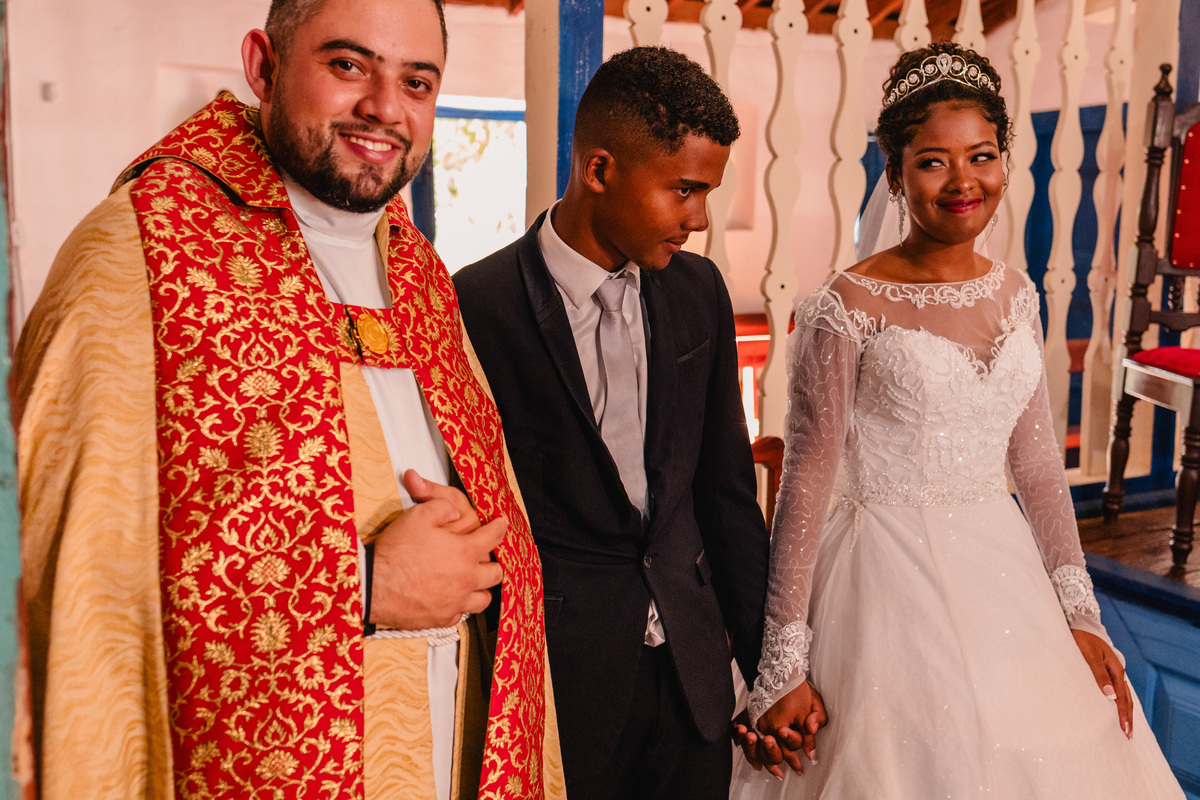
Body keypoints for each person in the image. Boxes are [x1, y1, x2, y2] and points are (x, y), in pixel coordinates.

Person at [12, 0, 567, 798]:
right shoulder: (139, 253)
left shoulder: (417, 270)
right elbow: (79, 584)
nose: (384, 107)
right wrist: (367, 585)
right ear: (263, 67)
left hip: (449, 738)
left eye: (416, 81)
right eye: (348, 66)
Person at [730, 41, 1185, 799]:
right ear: (897, 172)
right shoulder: (846, 306)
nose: (963, 181)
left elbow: (1037, 465)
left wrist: (1082, 614)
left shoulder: (1017, 295)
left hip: (1001, 569)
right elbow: (806, 479)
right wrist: (784, 660)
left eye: (981, 156)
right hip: (880, 582)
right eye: (934, 161)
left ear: (1004, 159)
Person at [453, 46, 770, 800]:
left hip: (694, 678)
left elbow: (725, 493)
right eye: (683, 191)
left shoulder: (699, 292)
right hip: (562, 682)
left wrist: (768, 670)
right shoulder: (476, 305)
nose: (698, 219)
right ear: (599, 171)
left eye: (707, 194)